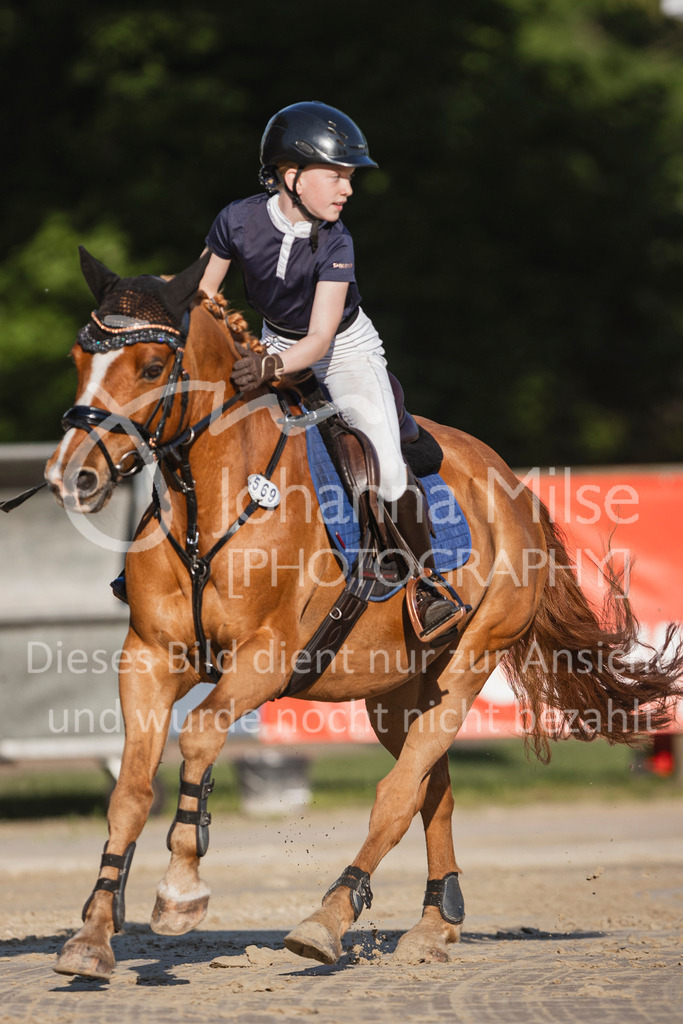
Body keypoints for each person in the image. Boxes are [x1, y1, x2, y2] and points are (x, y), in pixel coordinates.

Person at [198, 101, 464, 641]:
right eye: (336, 175)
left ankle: (427, 584)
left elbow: (319, 338)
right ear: (289, 175)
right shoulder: (236, 219)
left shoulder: (336, 240)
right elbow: (202, 294)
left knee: (387, 467)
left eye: (350, 178)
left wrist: (267, 366)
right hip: (270, 341)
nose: (347, 189)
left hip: (343, 350)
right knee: (199, 428)